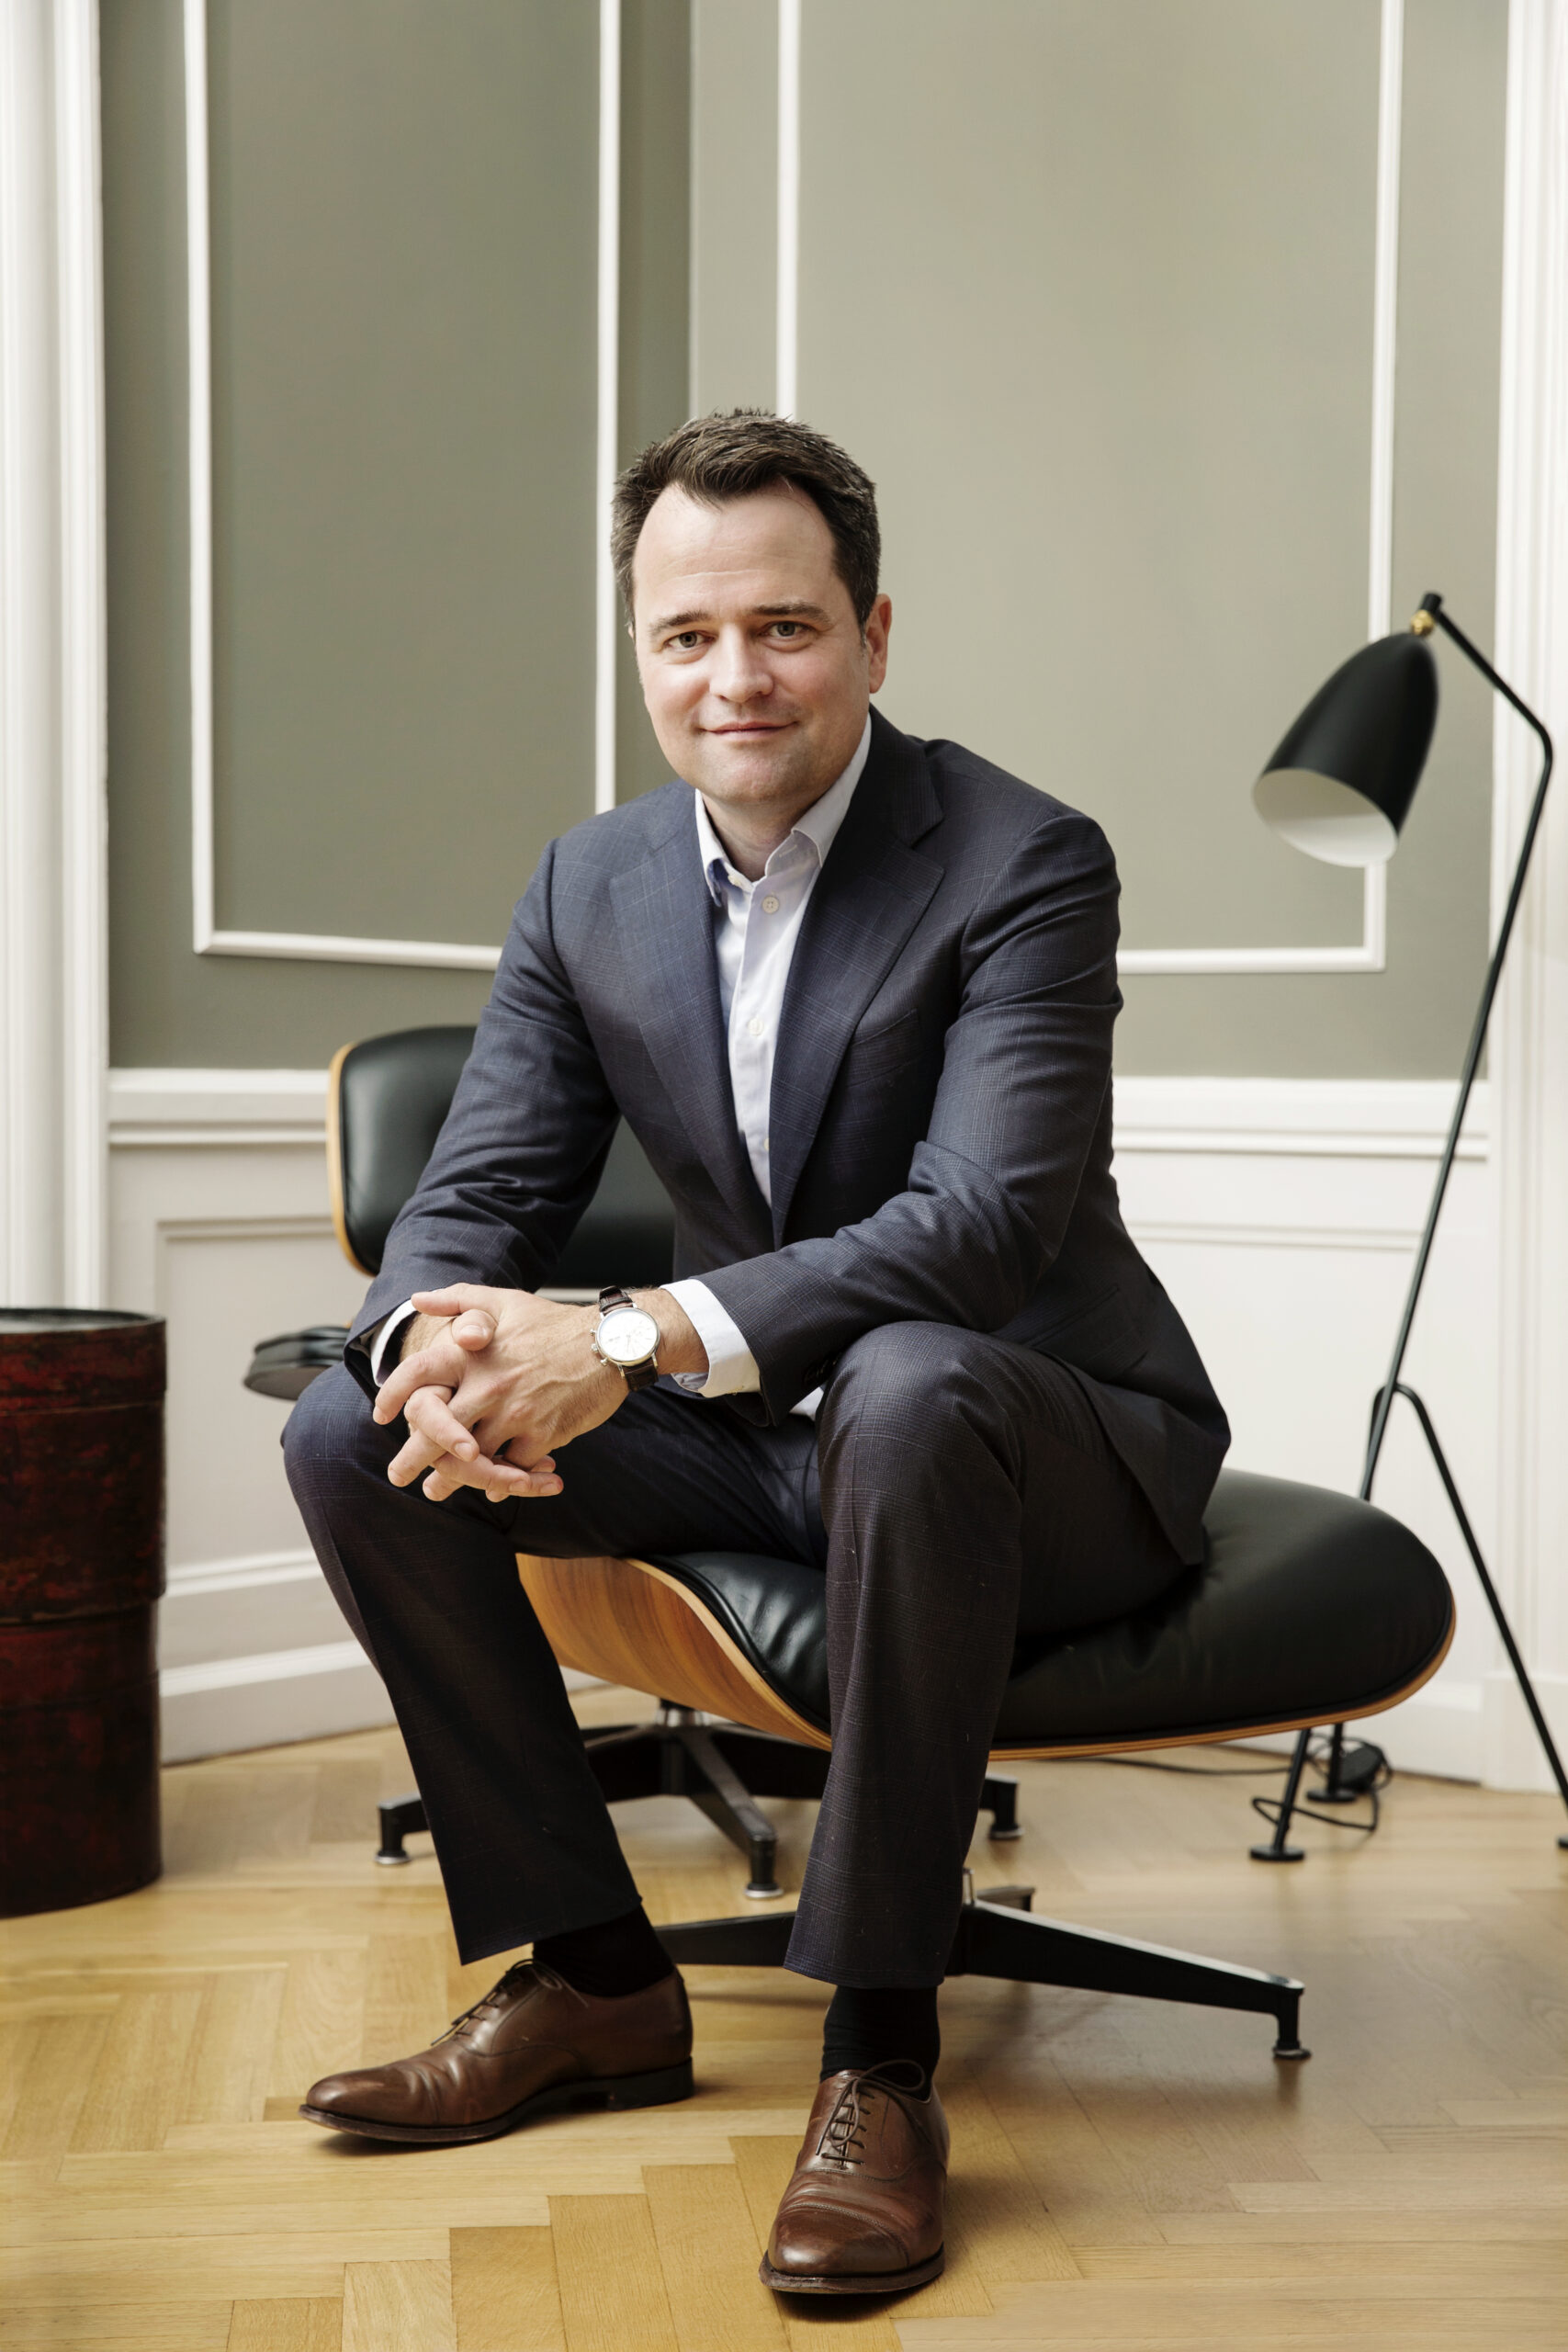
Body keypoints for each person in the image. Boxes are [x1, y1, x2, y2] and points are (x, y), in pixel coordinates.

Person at [284, 409, 1228, 2298]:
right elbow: (474, 1194)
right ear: (639, 651)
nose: (736, 678)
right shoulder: (589, 882)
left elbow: (979, 1225)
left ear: (871, 633)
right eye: (687, 635)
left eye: (784, 627)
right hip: (785, 1438)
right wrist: (444, 1338)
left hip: (1046, 1440)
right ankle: (595, 1978)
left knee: (909, 1378)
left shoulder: (1023, 859)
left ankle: (879, 2054)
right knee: (346, 1425)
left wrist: (620, 1335)